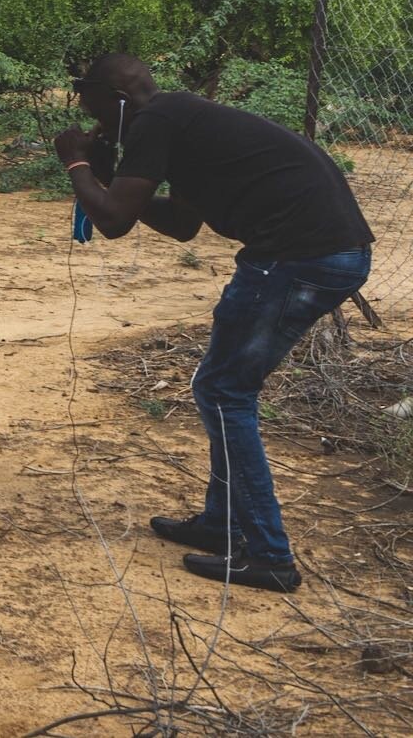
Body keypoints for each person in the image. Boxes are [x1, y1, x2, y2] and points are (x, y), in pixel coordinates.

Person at [56, 53, 373, 593]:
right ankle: (222, 525)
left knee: (226, 391)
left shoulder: (156, 123)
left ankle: (270, 555)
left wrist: (75, 165)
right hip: (326, 254)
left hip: (298, 258)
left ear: (118, 97)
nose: (89, 117)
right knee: (222, 387)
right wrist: (109, 177)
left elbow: (111, 221)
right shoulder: (179, 120)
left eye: (88, 102)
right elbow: (181, 224)